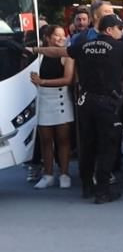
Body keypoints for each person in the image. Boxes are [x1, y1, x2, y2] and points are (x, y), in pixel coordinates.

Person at [30, 14, 123, 203]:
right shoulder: (121, 46)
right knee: (107, 145)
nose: (122, 31)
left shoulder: (84, 45)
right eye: (119, 28)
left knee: (88, 145)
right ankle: (102, 191)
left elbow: (56, 52)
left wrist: (34, 49)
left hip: (85, 103)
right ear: (109, 30)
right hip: (107, 103)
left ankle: (87, 187)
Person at [30, 25, 75, 190]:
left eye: (63, 35)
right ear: (47, 37)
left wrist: (42, 82)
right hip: (43, 99)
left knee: (63, 139)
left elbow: (68, 79)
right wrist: (36, 82)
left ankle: (64, 174)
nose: (61, 38)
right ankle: (48, 175)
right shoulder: (39, 56)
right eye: (57, 35)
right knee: (45, 140)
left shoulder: (67, 54)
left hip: (61, 98)